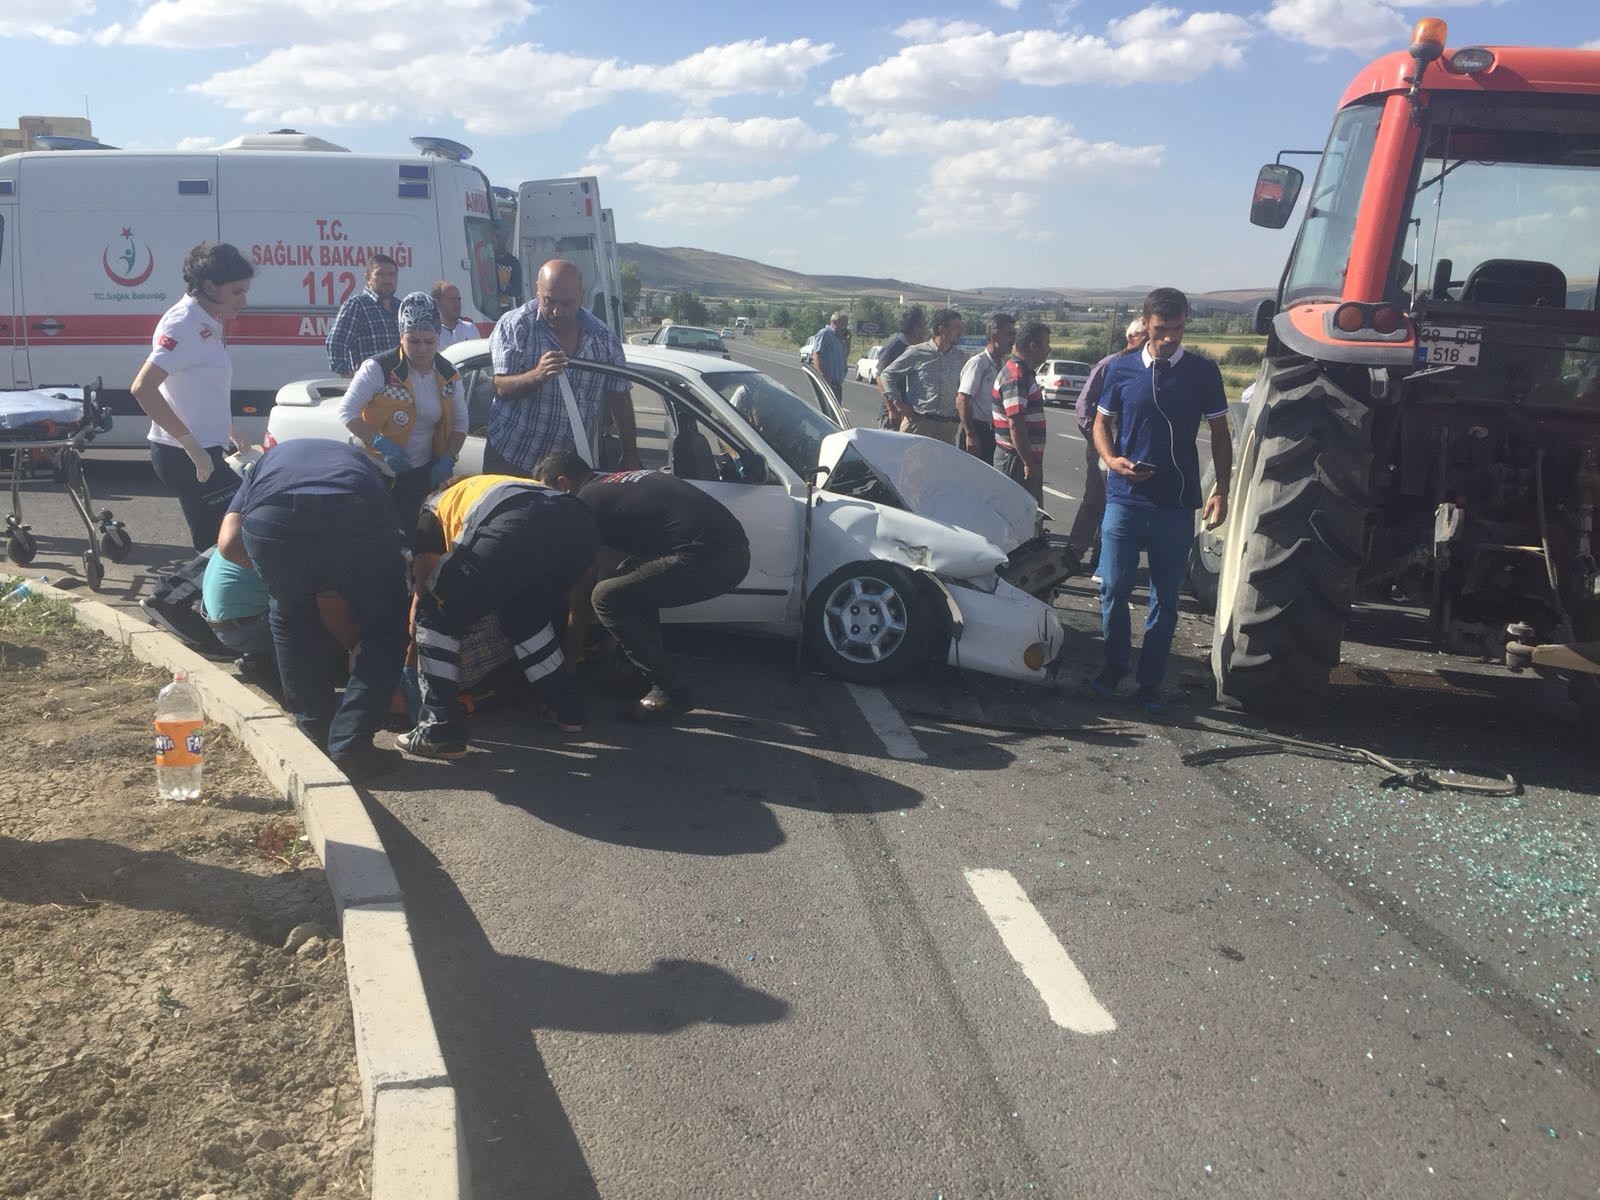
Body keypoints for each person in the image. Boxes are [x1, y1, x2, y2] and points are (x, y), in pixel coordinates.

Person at [218, 440, 410, 782]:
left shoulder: (265, 464)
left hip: (274, 522)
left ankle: (316, 737)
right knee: (384, 628)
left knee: (292, 620)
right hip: (356, 515)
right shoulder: (360, 465)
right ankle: (352, 745)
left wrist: (287, 574)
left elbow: (229, 544)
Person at [1092, 288, 1231, 716]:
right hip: (1125, 499)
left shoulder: (1203, 372)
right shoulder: (1121, 370)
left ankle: (1149, 682)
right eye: (1161, 330)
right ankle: (1113, 668)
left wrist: (1221, 488)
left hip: (1175, 503)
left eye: (1177, 329)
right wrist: (1111, 459)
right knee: (1114, 588)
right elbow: (1101, 423)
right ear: (1145, 323)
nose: (1169, 338)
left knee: (1165, 598)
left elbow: (1221, 435)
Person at [536, 449, 751, 721]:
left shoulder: (585, 503)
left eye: (549, 494)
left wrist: (565, 672)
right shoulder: (612, 484)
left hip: (716, 559)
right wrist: (606, 652)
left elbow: (583, 594)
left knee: (605, 596)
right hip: (730, 549)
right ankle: (641, 674)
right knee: (628, 578)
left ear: (564, 484)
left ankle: (669, 690)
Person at [399, 474, 600, 759]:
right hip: (580, 528)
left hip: (520, 523)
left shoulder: (434, 506)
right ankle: (566, 710)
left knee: (435, 617)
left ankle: (439, 731)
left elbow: (426, 590)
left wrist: (411, 661)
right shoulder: (495, 484)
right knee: (526, 618)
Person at [130, 242, 255, 551]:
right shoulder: (183, 324)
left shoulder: (206, 319)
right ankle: (193, 597)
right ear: (209, 285)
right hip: (183, 455)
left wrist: (229, 428)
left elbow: (199, 385)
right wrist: (193, 448)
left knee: (219, 540)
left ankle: (201, 597)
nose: (244, 301)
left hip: (204, 448)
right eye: (237, 292)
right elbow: (142, 388)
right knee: (230, 536)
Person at [487, 258, 640, 476]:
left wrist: (630, 454)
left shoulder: (603, 339)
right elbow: (500, 386)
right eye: (549, 301)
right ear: (537, 292)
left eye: (566, 303)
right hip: (513, 458)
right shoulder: (515, 325)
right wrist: (537, 375)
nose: (557, 311)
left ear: (581, 298)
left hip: (568, 470)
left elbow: (620, 398)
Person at [338, 291, 469, 533]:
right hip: (376, 469)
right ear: (401, 337)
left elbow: (461, 422)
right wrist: (379, 442)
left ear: (438, 338)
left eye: (429, 342)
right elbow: (347, 411)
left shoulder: (448, 374)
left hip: (420, 471)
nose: (421, 349)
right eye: (413, 341)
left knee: (415, 534)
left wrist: (450, 456)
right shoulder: (379, 368)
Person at [1070, 318, 1147, 572]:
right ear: (1131, 339)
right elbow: (1083, 406)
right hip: (1104, 445)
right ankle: (1073, 553)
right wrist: (1098, 439)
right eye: (1145, 338)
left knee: (1117, 504)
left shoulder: (1149, 368)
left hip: (1130, 449)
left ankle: (1103, 559)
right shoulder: (1109, 365)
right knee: (1095, 499)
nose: (1150, 344)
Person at [880, 308, 965, 445]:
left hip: (947, 428)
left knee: (942, 466)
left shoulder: (959, 357)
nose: (960, 332)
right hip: (920, 423)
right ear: (942, 329)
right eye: (956, 327)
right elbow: (887, 375)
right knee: (911, 465)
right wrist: (898, 403)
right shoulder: (917, 352)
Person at [993, 320, 1051, 505]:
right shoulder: (1016, 375)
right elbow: (1016, 423)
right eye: (1046, 344)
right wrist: (1028, 462)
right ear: (1033, 346)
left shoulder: (1022, 372)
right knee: (1017, 513)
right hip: (1015, 459)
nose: (1049, 349)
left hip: (1017, 457)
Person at [324, 255, 400, 377]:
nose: (387, 280)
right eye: (380, 274)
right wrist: (350, 378)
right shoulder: (357, 305)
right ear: (368, 278)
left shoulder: (400, 307)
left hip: (398, 389)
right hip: (371, 389)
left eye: (391, 275)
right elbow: (335, 343)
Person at [956, 313, 1014, 465]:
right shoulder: (978, 363)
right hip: (978, 431)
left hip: (995, 433)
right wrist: (970, 434)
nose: (1013, 340)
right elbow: (963, 399)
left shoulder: (1002, 365)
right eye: (1009, 334)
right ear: (995, 336)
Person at [874, 306, 926, 428]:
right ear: (916, 328)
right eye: (924, 326)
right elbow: (880, 379)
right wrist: (891, 408)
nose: (926, 331)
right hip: (894, 414)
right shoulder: (893, 348)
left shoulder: (918, 349)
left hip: (912, 413)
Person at [808, 311, 849, 401]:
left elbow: (845, 355)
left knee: (834, 413)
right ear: (834, 322)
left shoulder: (839, 338)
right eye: (843, 324)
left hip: (837, 383)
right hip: (828, 382)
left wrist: (848, 341)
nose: (845, 327)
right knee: (828, 412)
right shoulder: (825, 334)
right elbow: (816, 355)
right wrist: (823, 375)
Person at [430, 280, 478, 348]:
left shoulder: (470, 328)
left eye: (459, 299)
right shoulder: (431, 332)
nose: (457, 303)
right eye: (452, 299)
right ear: (437, 303)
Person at [494, 230, 524, 315]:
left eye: (498, 237)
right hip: (484, 306)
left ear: (504, 239)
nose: (495, 240)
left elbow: (517, 290)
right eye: (493, 237)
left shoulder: (512, 262)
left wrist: (504, 289)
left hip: (503, 308)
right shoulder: (484, 257)